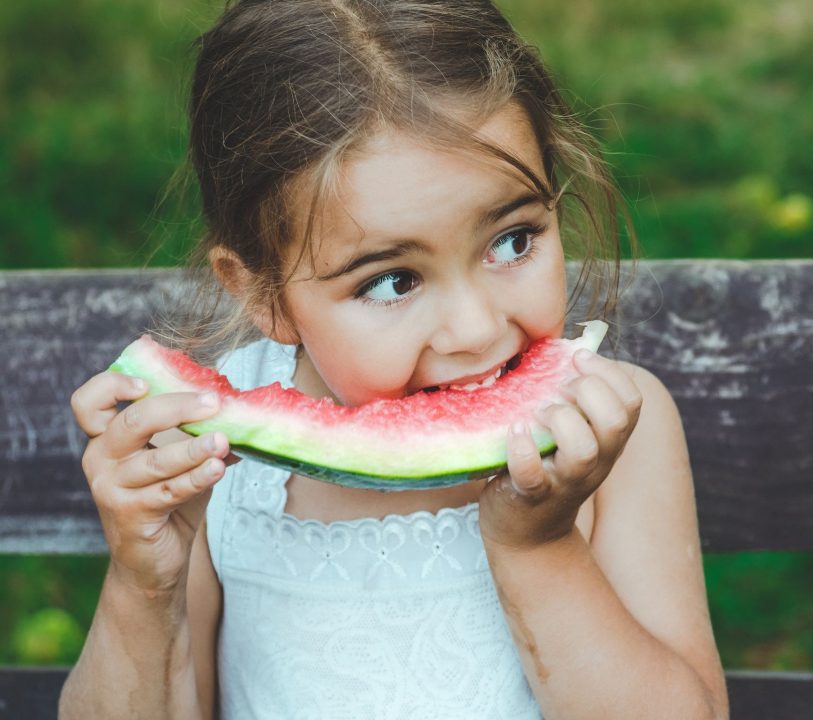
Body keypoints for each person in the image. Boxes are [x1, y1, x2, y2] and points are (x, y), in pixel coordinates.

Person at [60, 1, 728, 718]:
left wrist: (540, 549)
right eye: (392, 282)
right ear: (265, 296)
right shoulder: (214, 464)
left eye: (513, 240)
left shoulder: (618, 429)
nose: (474, 329)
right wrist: (143, 586)